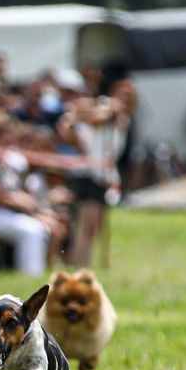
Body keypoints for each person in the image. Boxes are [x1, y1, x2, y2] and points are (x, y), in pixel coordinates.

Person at [0, 110, 52, 276]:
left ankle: (47, 273)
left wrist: (32, 205)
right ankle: (30, 277)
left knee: (50, 225)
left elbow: (21, 190)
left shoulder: (13, 158)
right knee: (32, 231)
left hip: (8, 213)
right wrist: (24, 202)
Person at [56, 82, 131, 267]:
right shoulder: (104, 111)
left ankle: (81, 263)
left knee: (92, 227)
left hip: (101, 176)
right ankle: (79, 265)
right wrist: (76, 116)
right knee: (86, 227)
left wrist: (76, 116)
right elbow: (97, 114)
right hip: (90, 176)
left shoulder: (118, 117)